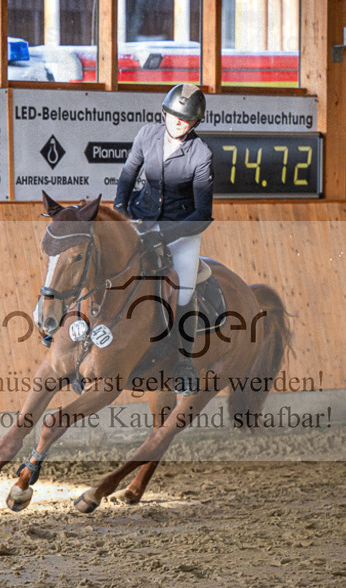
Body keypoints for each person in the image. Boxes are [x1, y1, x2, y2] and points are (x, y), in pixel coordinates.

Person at [114, 83, 213, 396]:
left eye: (185, 120)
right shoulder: (147, 135)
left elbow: (202, 213)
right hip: (141, 218)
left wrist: (165, 233)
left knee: (183, 290)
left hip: (181, 229)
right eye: (173, 116)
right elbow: (129, 173)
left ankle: (184, 362)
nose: (177, 123)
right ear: (164, 113)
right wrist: (120, 210)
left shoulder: (201, 155)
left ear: (194, 123)